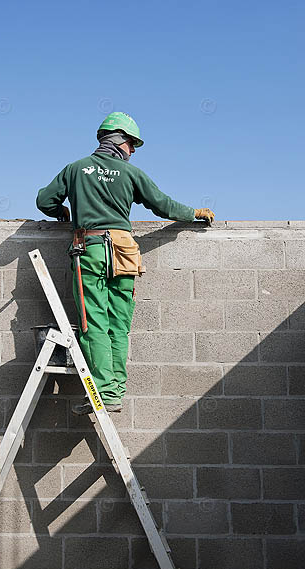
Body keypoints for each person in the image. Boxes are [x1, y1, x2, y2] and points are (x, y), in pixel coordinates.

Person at [36, 112, 215, 415]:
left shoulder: (76, 169)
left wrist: (62, 211)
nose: (133, 151)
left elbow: (44, 200)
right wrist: (193, 213)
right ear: (119, 141)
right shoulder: (132, 175)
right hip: (125, 252)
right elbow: (163, 205)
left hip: (89, 250)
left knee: (93, 323)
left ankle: (104, 391)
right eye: (132, 144)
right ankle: (115, 390)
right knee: (119, 325)